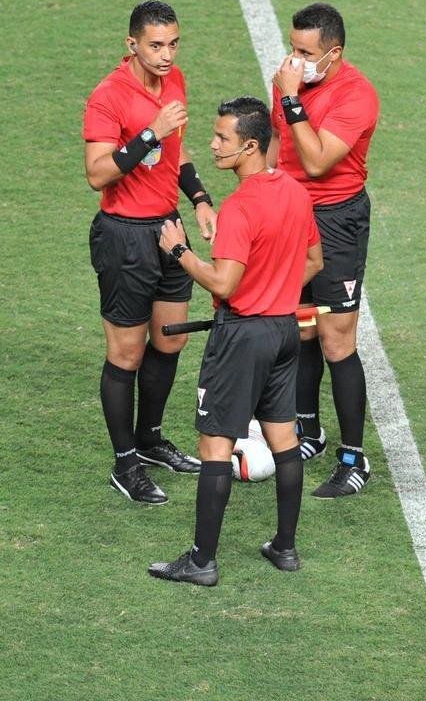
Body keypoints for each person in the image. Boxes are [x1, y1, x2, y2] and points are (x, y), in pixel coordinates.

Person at [149, 97, 323, 586]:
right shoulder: (292, 190)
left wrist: (179, 251)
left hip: (241, 338)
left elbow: (224, 284)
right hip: (284, 332)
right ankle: (285, 548)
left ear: (250, 146)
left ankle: (202, 561)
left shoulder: (240, 206)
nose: (213, 144)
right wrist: (276, 287)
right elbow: (314, 261)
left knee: (215, 444)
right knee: (284, 438)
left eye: (222, 138)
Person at [83, 0, 219, 504]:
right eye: (156, 45)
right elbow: (97, 172)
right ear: (132, 44)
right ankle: (125, 465)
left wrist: (200, 199)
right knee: (126, 352)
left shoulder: (175, 81)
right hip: (123, 236)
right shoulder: (108, 96)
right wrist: (149, 133)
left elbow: (177, 152)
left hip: (167, 230)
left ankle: (150, 439)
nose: (166, 55)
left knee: (169, 341)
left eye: (173, 44)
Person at [268, 2, 380, 498]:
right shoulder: (290, 81)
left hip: (336, 222)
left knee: (336, 339)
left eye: (306, 52)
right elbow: (277, 146)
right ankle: (308, 431)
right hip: (290, 218)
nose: (296, 59)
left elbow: (316, 161)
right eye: (293, 48)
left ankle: (354, 459)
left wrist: (292, 99)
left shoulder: (357, 96)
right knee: (299, 328)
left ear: (334, 54)